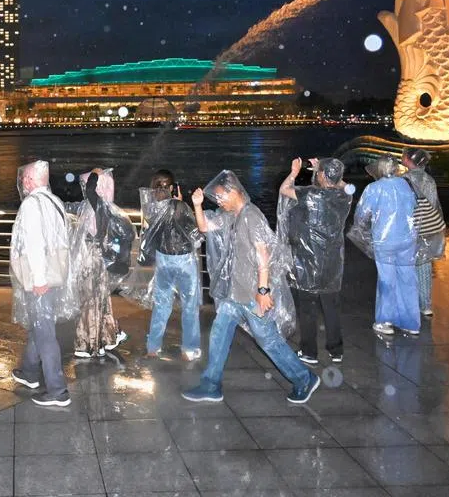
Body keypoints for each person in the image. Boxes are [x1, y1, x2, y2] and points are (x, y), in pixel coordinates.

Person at [182, 170, 320, 405]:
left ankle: (304, 378)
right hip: (233, 293)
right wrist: (197, 205)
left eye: (220, 197)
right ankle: (211, 384)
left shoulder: (251, 215)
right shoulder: (230, 215)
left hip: (250, 294)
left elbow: (262, 254)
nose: (218, 202)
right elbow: (205, 227)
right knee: (218, 334)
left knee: (269, 341)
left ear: (234, 191)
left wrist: (263, 291)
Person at [9, 160, 75, 407]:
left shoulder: (31, 205)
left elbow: (35, 244)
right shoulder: (54, 202)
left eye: (26, 178)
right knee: (40, 324)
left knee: (45, 332)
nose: (23, 182)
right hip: (55, 274)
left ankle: (58, 391)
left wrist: (38, 279)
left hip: (42, 278)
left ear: (31, 180)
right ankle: (29, 372)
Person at [278, 157, 352, 365]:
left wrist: (294, 172)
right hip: (332, 262)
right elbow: (347, 186)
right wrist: (330, 173)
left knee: (308, 307)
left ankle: (309, 351)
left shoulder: (309, 194)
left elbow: (284, 189)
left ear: (321, 175)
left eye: (319, 172)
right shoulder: (343, 196)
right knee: (331, 306)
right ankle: (336, 350)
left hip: (307, 262)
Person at [349, 156, 420, 336]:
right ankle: (410, 322)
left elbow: (361, 215)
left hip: (385, 241)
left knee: (387, 280)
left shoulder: (374, 188)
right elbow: (413, 208)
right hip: (407, 239)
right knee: (408, 279)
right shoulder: (406, 185)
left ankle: (385, 320)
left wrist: (363, 232)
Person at [141, 170, 203, 361]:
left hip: (163, 259)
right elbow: (197, 236)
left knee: (161, 304)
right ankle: (189, 349)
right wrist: (181, 204)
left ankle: (153, 347)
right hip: (183, 259)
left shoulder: (151, 208)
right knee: (190, 305)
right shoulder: (179, 206)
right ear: (171, 187)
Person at [71, 169, 130, 358]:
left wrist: (95, 175)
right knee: (99, 300)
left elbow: (89, 190)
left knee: (90, 301)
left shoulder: (98, 205)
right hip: (99, 259)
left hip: (92, 260)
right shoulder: (106, 207)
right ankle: (105, 337)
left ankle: (89, 344)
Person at [401, 148, 446, 317]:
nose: (402, 158)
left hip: (410, 228)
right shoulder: (429, 179)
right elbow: (434, 204)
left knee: (407, 266)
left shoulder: (405, 179)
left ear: (409, 160)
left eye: (404, 156)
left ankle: (409, 303)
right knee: (424, 265)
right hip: (428, 227)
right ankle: (425, 305)